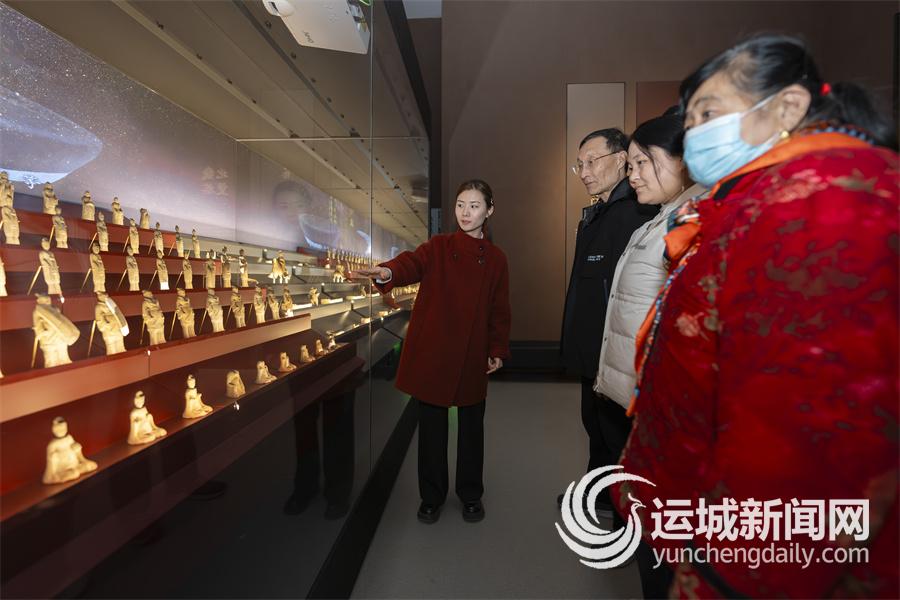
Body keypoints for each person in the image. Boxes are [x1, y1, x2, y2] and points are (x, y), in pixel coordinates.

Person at [614, 34, 898, 598]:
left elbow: (805, 442)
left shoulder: (824, 204)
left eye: (709, 114)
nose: (694, 134)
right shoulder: (768, 194)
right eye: (690, 121)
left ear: (788, 107)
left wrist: (725, 576)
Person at [351, 179, 511, 524]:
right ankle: (431, 496)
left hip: (472, 352)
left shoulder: (496, 259)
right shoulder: (438, 246)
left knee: (472, 430)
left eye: (474, 206)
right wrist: (388, 271)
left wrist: (497, 347)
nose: (465, 213)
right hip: (436, 349)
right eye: (460, 205)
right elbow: (411, 263)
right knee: (432, 430)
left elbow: (499, 308)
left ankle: (470, 494)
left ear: (489, 211)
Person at [559, 128, 656, 515]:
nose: (584, 172)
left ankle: (623, 513)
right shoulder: (598, 213)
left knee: (616, 434)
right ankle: (598, 494)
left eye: (591, 161)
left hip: (613, 351)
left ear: (620, 160)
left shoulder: (634, 214)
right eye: (579, 164)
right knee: (596, 427)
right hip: (592, 351)